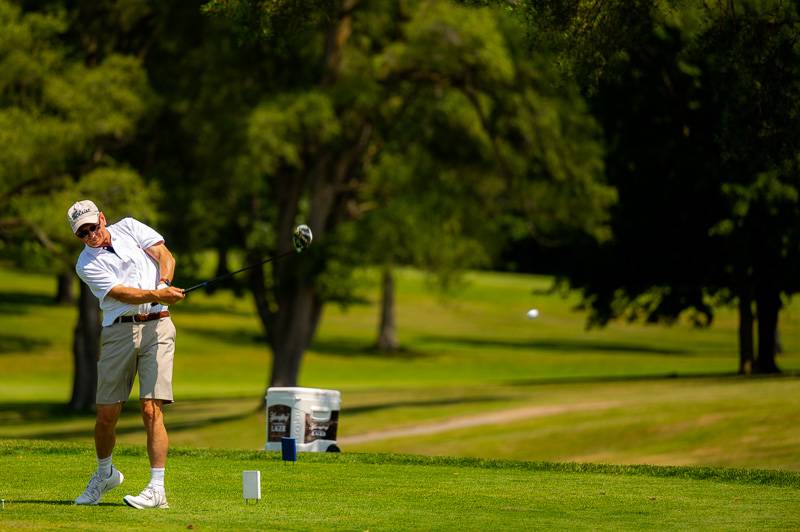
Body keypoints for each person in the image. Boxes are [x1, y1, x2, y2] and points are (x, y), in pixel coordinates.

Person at [68, 200, 185, 509]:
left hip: (158, 327)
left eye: (93, 226)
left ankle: (157, 489)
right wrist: (159, 294)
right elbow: (121, 293)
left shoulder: (130, 227)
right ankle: (105, 474)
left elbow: (163, 254)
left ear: (102, 219)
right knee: (106, 415)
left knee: (151, 408)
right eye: (83, 233)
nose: (91, 234)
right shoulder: (85, 264)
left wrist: (164, 283)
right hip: (119, 332)